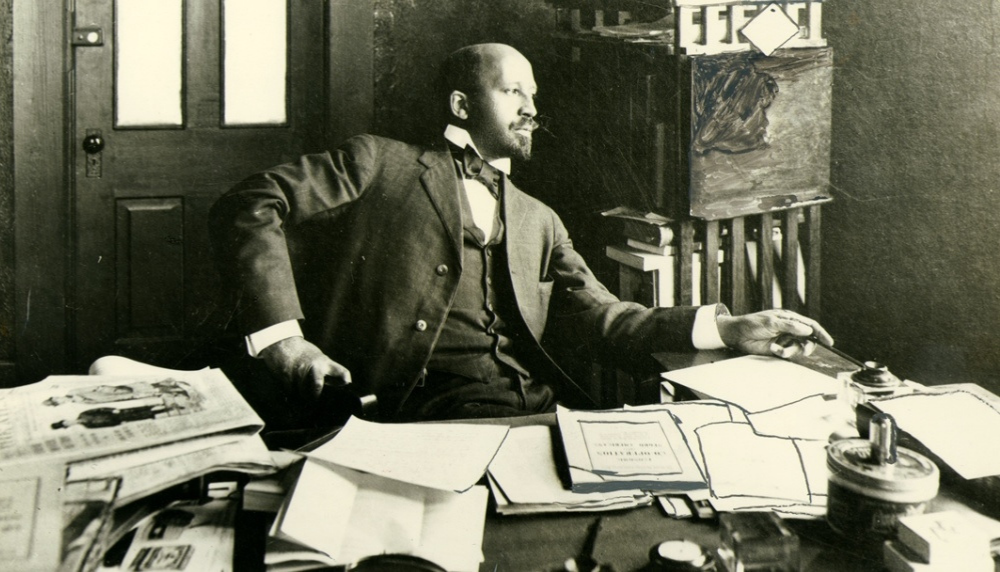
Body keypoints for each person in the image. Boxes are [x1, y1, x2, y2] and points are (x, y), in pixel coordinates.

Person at [209, 43, 832, 424]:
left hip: (537, 416)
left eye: (533, 95)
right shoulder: (379, 162)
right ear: (461, 105)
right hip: (407, 419)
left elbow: (607, 320)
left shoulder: (539, 217)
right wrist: (282, 340)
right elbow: (251, 202)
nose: (532, 108)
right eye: (513, 92)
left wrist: (727, 328)